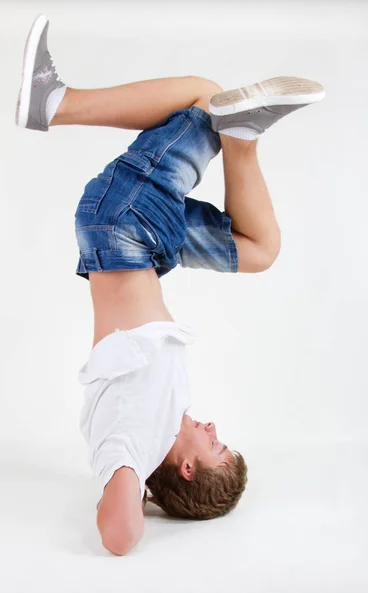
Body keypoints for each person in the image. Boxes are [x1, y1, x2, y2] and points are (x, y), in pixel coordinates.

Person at [16, 14, 325, 555]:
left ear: (186, 467)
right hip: (146, 244)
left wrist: (129, 498)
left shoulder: (131, 444)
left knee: (205, 97)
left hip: (124, 224)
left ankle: (56, 103)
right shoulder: (162, 418)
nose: (212, 427)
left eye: (215, 444)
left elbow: (119, 536)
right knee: (260, 249)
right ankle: (240, 139)